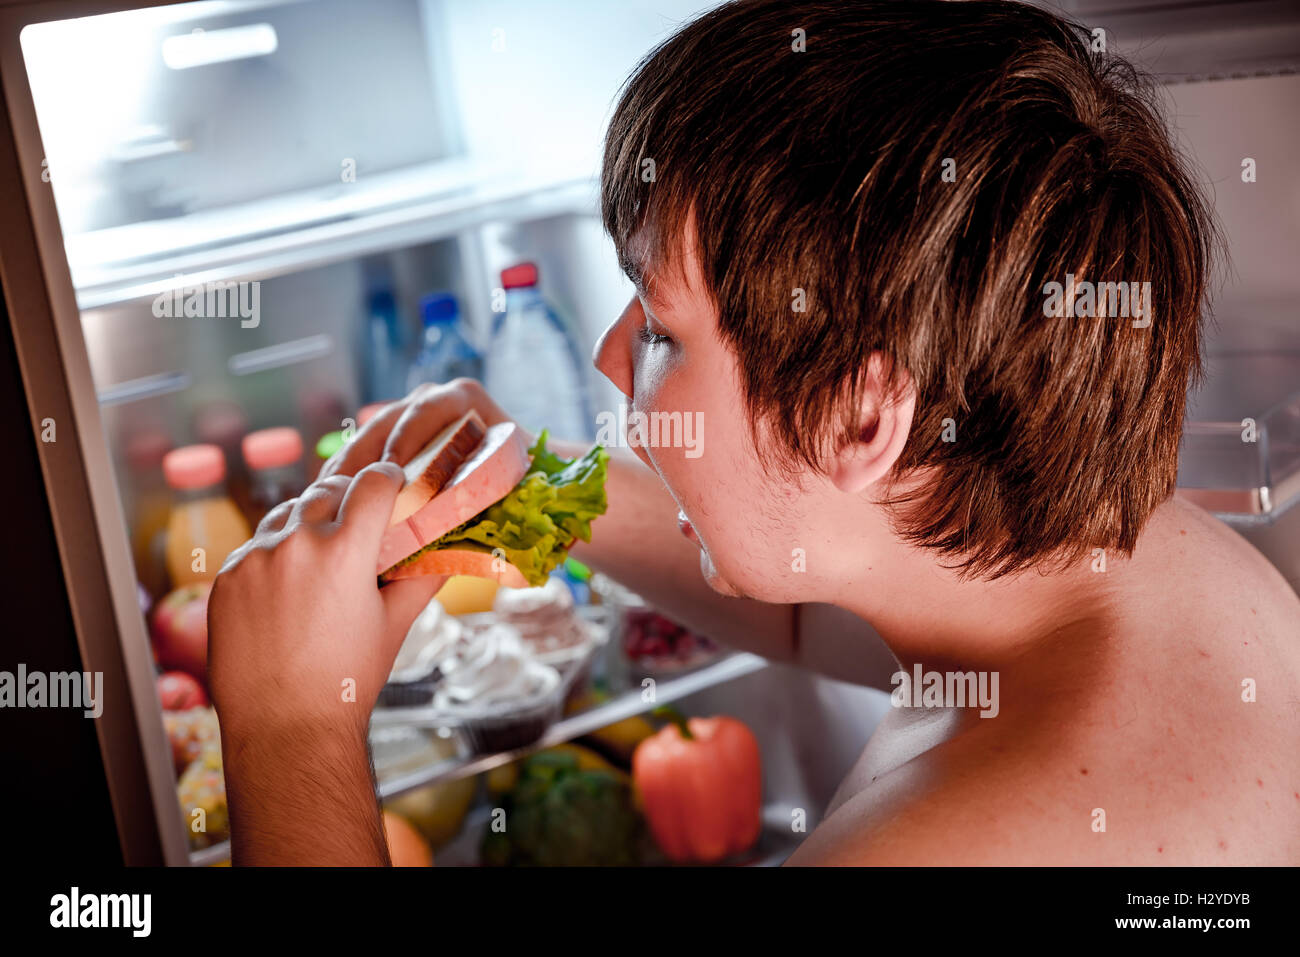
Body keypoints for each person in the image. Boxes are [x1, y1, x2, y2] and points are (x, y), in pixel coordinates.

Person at [208, 0, 1300, 866]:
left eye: (662, 331)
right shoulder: (1106, 551)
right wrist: (530, 483)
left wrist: (290, 735)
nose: (608, 356)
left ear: (860, 415)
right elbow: (793, 621)